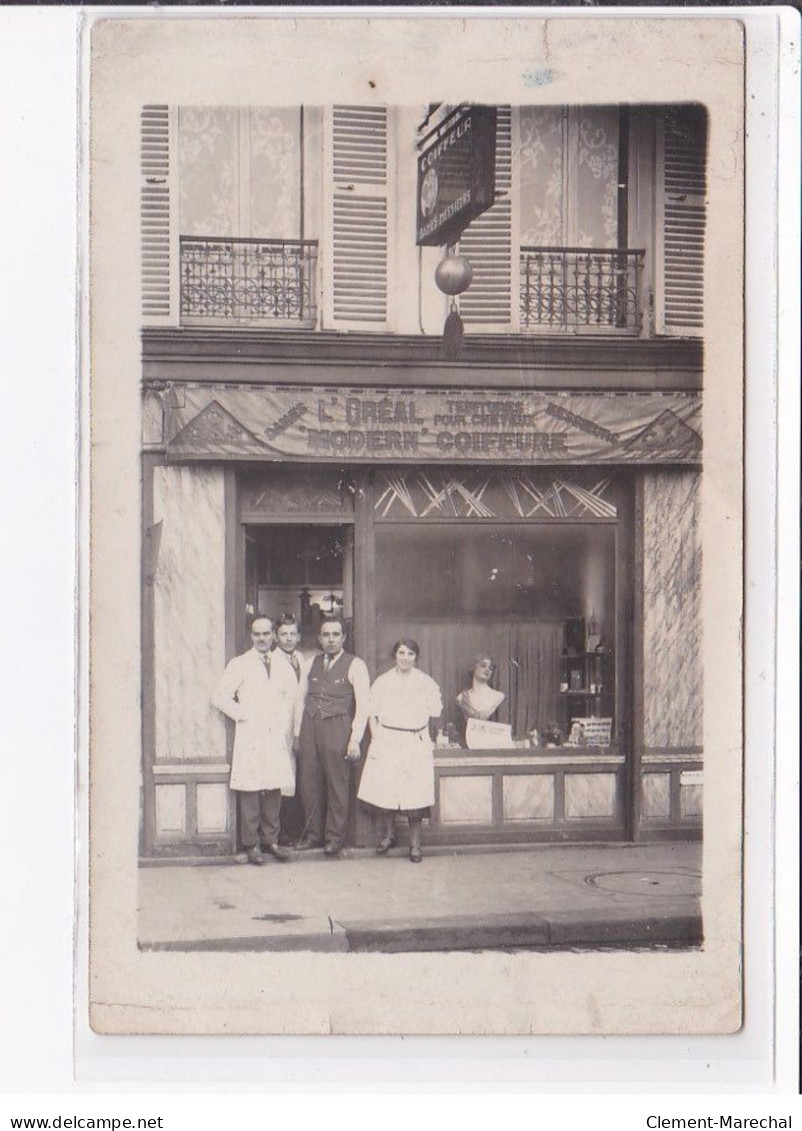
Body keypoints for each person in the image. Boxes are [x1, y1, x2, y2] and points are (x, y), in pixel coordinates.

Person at [212, 616, 299, 865]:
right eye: (257, 634)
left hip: (275, 735)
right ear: (251, 637)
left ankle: (271, 840)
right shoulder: (240, 663)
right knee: (251, 788)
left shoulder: (283, 665)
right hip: (251, 734)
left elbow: (291, 697)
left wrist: (286, 726)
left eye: (266, 634)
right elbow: (219, 697)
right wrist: (244, 715)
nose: (262, 639)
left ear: (274, 636)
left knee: (273, 787)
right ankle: (252, 844)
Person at [357, 639, 443, 864]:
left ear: (416, 657)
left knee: (415, 795)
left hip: (414, 741)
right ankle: (389, 836)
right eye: (401, 653)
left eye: (411, 654)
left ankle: (415, 844)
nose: (405, 658)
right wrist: (377, 737)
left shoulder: (426, 682)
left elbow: (435, 710)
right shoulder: (383, 682)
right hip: (388, 740)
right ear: (394, 655)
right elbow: (371, 713)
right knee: (387, 790)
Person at [295, 615, 370, 857]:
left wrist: (354, 739)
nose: (330, 639)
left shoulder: (356, 664)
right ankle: (313, 835)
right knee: (309, 783)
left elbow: (364, 706)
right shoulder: (310, 662)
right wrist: (297, 732)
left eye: (335, 634)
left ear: (344, 638)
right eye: (326, 634)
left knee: (338, 785)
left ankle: (334, 838)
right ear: (319, 638)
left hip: (338, 726)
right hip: (310, 726)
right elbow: (300, 699)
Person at [272, 613, 308, 845]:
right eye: (283, 634)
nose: (288, 638)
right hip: (279, 727)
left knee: (298, 779)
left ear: (299, 636)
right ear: (276, 637)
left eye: (292, 634)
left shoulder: (301, 659)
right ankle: (281, 834)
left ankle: (297, 831)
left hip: (301, 725)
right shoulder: (272, 660)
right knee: (281, 779)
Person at [456, 655, 506, 721]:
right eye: (483, 665)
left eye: (491, 668)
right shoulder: (461, 697)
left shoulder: (499, 696)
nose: (487, 669)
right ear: (473, 667)